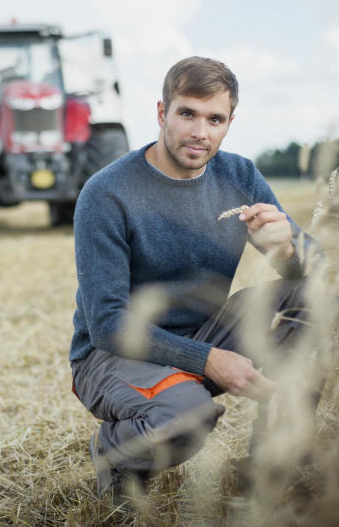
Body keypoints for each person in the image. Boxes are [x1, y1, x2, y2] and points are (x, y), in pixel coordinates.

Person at [69, 56, 324, 503]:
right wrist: (210, 361)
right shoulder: (107, 193)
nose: (199, 132)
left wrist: (286, 251)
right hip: (110, 356)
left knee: (315, 297)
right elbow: (108, 324)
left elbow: (315, 266)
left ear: (229, 123)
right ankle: (114, 453)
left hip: (204, 333)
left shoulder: (239, 175)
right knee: (189, 417)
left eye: (215, 119)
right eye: (187, 113)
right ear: (162, 112)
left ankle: (268, 468)